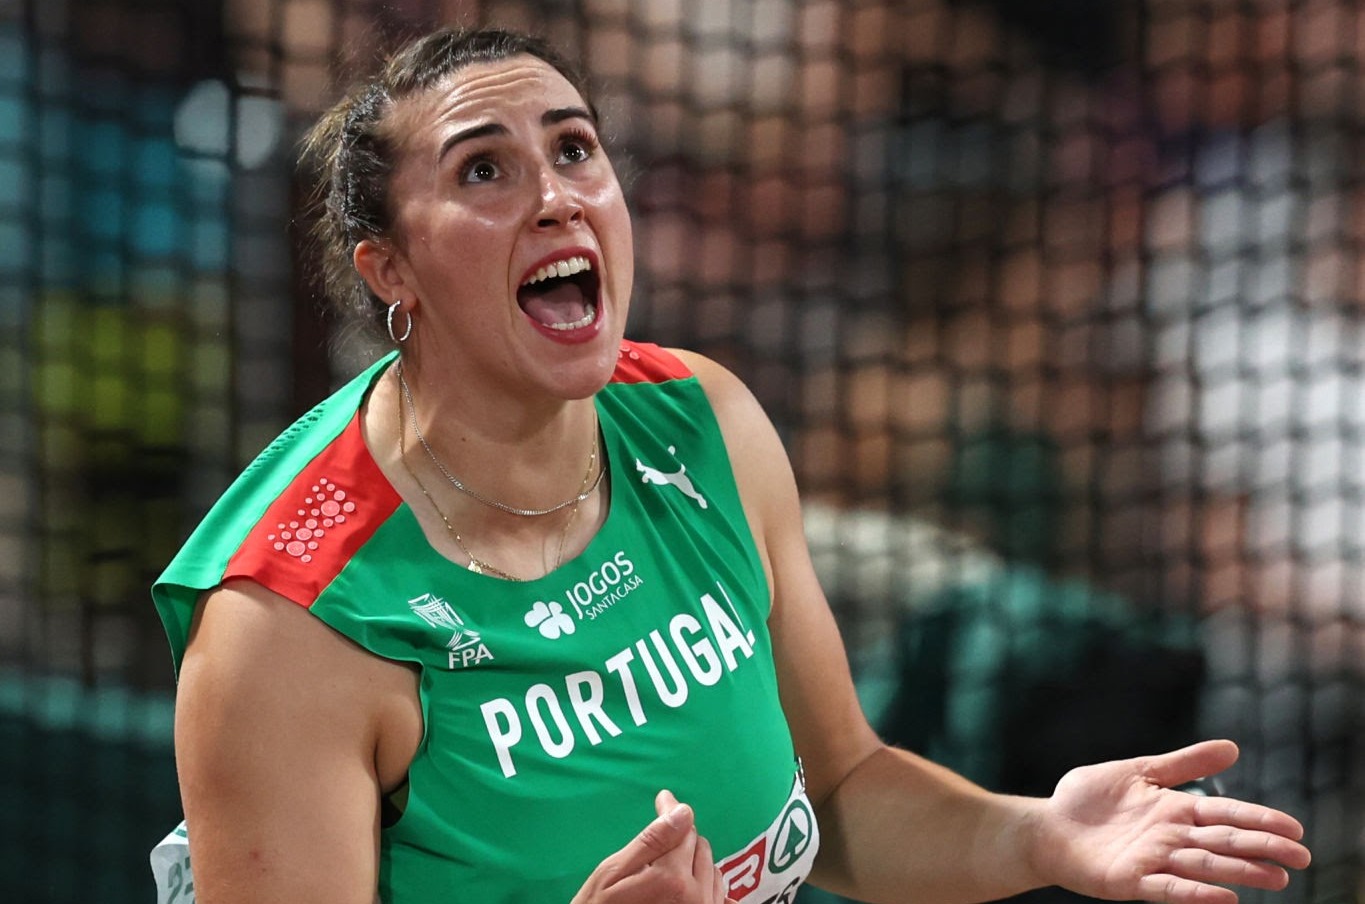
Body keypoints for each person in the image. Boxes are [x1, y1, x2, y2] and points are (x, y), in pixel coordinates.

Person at [150, 25, 1313, 904]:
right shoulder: (289, 626)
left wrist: (1039, 835)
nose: (557, 196)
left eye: (574, 150)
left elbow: (844, 787)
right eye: (483, 172)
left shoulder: (702, 421)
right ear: (388, 269)